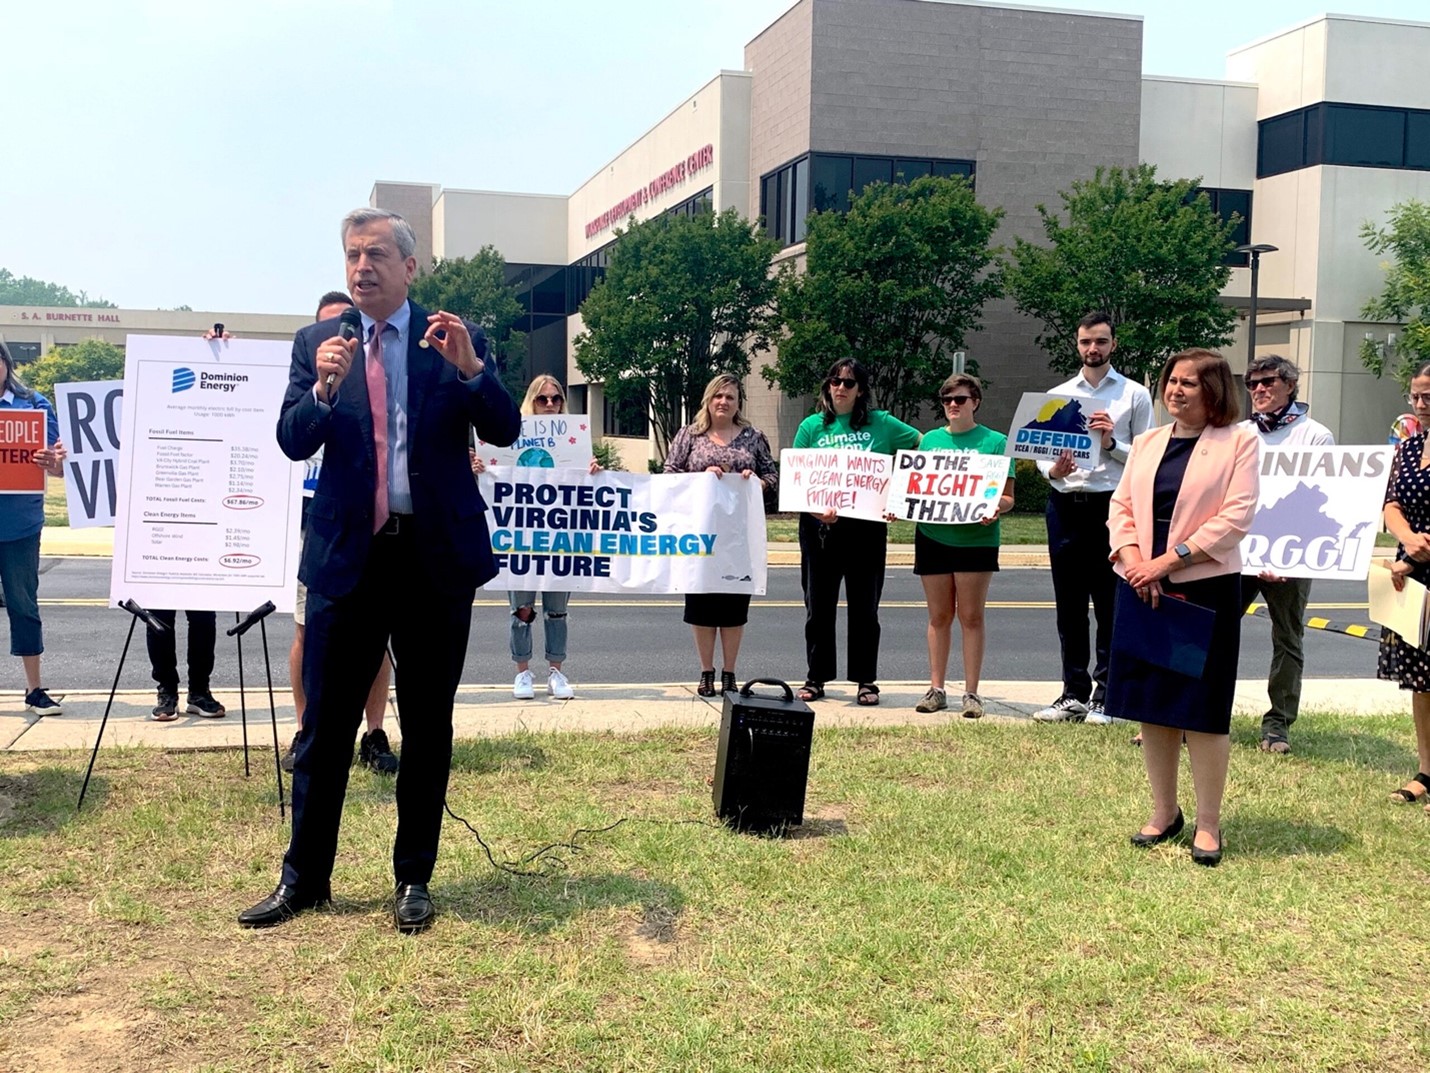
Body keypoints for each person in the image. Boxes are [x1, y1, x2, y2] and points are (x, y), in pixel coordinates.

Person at [239, 208, 520, 932]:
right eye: (352, 255)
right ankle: (304, 879)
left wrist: (472, 369)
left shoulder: (452, 338)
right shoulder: (317, 344)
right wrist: (322, 392)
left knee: (427, 725)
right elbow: (292, 440)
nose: (361, 267)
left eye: (376, 255)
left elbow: (504, 426)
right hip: (349, 560)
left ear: (409, 267)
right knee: (324, 727)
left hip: (432, 560)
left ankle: (413, 878)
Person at [1107, 348, 1259, 867]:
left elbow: (1235, 517)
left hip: (1203, 588)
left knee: (1203, 711)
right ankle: (1164, 812)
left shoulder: (1239, 441)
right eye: (1171, 380)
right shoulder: (1147, 442)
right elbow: (1121, 508)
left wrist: (1167, 563)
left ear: (1213, 390)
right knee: (1153, 706)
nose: (1175, 389)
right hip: (1141, 585)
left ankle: (1208, 823)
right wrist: (1135, 564)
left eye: (1188, 383)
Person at [281, 291, 397, 775]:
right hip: (319, 530)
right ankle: (306, 728)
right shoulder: (310, 372)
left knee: (377, 640)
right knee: (308, 633)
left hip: (373, 528)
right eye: (332, 330)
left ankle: (374, 732)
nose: (342, 341)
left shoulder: (377, 373)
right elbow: (289, 433)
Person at [1032, 312, 1154, 726]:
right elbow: (1041, 451)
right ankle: (1073, 693)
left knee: (1109, 604)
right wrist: (1053, 471)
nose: (1093, 348)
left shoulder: (1134, 395)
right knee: (1069, 606)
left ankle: (1107, 695)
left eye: (1101, 341)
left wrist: (1111, 442)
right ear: (1077, 344)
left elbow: (1147, 454)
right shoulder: (1059, 394)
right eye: (1086, 341)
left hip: (1111, 506)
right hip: (1065, 505)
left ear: (1113, 344)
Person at [792, 358, 921, 706]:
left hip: (867, 528)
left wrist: (898, 494)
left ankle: (866, 680)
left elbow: (923, 446)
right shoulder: (811, 426)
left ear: (861, 390)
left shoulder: (883, 423)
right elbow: (796, 478)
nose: (841, 388)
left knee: (865, 608)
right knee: (818, 606)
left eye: (849, 383)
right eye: (835, 381)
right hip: (820, 528)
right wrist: (815, 510)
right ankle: (816, 676)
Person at [470, 374, 600, 701]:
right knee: (521, 610)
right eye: (543, 399)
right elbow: (493, 482)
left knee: (557, 611)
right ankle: (522, 671)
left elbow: (584, 487)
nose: (550, 404)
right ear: (532, 401)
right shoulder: (509, 437)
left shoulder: (573, 442)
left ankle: (556, 671)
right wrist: (482, 470)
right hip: (520, 538)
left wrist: (593, 471)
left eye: (556, 398)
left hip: (559, 538)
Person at [1240, 356, 1334, 754]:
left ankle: (1277, 725)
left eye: (1268, 381)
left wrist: (1288, 559)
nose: (1259, 389)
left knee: (1287, 638)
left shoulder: (1315, 436)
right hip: (1238, 551)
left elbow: (1321, 498)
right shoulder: (1240, 433)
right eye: (1253, 383)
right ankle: (1192, 716)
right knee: (1209, 631)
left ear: (1290, 385)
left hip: (1290, 554)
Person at [663, 373, 777, 697]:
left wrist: (756, 482)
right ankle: (706, 671)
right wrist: (700, 477)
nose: (723, 402)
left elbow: (772, 476)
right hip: (699, 535)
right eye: (718, 396)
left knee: (733, 606)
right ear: (708, 400)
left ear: (738, 402)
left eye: (730, 397)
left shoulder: (753, 437)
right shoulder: (690, 435)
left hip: (739, 537)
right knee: (701, 604)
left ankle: (729, 672)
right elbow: (669, 474)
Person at [911, 375, 1015, 718]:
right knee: (939, 616)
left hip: (976, 540)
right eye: (947, 400)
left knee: (971, 616)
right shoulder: (930, 441)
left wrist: (995, 507)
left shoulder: (995, 442)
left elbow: (1008, 497)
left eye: (960, 399)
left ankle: (971, 693)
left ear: (976, 402)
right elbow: (915, 488)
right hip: (933, 536)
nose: (953, 405)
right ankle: (936, 689)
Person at [0, 341, 67, 714]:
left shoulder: (34, 405)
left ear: (7, 363)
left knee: (23, 605)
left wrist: (51, 461)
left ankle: (34, 689)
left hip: (21, 524)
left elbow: (58, 468)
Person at [1379, 361, 1430, 811]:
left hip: (1415, 564)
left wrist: (1413, 555)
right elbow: (1391, 503)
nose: (1420, 404)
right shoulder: (1410, 447)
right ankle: (1426, 771)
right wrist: (1408, 541)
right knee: (1421, 680)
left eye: (1428, 396)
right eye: (1415, 396)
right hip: (1412, 573)